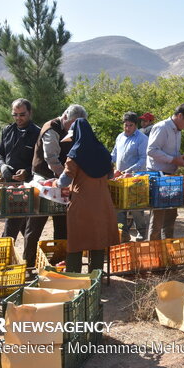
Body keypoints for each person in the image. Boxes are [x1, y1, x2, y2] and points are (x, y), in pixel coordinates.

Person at [55, 118, 119, 273]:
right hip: (102, 202)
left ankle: (74, 275)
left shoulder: (75, 154)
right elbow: (110, 175)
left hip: (81, 204)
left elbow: (65, 181)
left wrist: (55, 183)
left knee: (77, 241)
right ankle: (96, 276)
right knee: (98, 239)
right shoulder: (103, 151)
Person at [30, 104, 88, 249]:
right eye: (72, 125)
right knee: (37, 220)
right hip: (43, 177)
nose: (73, 129)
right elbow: (51, 159)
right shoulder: (51, 128)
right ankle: (28, 262)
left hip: (62, 179)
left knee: (62, 221)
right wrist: (66, 178)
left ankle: (60, 258)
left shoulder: (74, 129)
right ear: (65, 117)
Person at [0, 98, 41, 263]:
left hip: (29, 186)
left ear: (30, 113)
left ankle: (7, 262)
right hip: (10, 184)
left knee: (18, 226)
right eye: (15, 115)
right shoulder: (7, 131)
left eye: (22, 114)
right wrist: (3, 167)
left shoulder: (37, 133)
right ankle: (24, 262)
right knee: (19, 225)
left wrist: (27, 172)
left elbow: (41, 162)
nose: (18, 118)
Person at [146, 104, 184, 240]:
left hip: (170, 177)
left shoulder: (177, 130)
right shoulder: (162, 127)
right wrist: (174, 160)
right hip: (158, 177)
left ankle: (167, 251)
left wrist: (183, 158)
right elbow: (151, 150)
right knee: (158, 218)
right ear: (180, 116)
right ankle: (153, 252)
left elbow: (172, 154)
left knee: (170, 218)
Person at [111, 111, 149, 242]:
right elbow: (114, 155)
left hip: (136, 178)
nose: (127, 128)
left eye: (130, 125)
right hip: (120, 179)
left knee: (136, 207)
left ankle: (142, 232)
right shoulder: (120, 137)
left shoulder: (142, 139)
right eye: (125, 125)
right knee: (119, 206)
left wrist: (128, 171)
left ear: (136, 125)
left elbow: (143, 159)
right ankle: (123, 233)